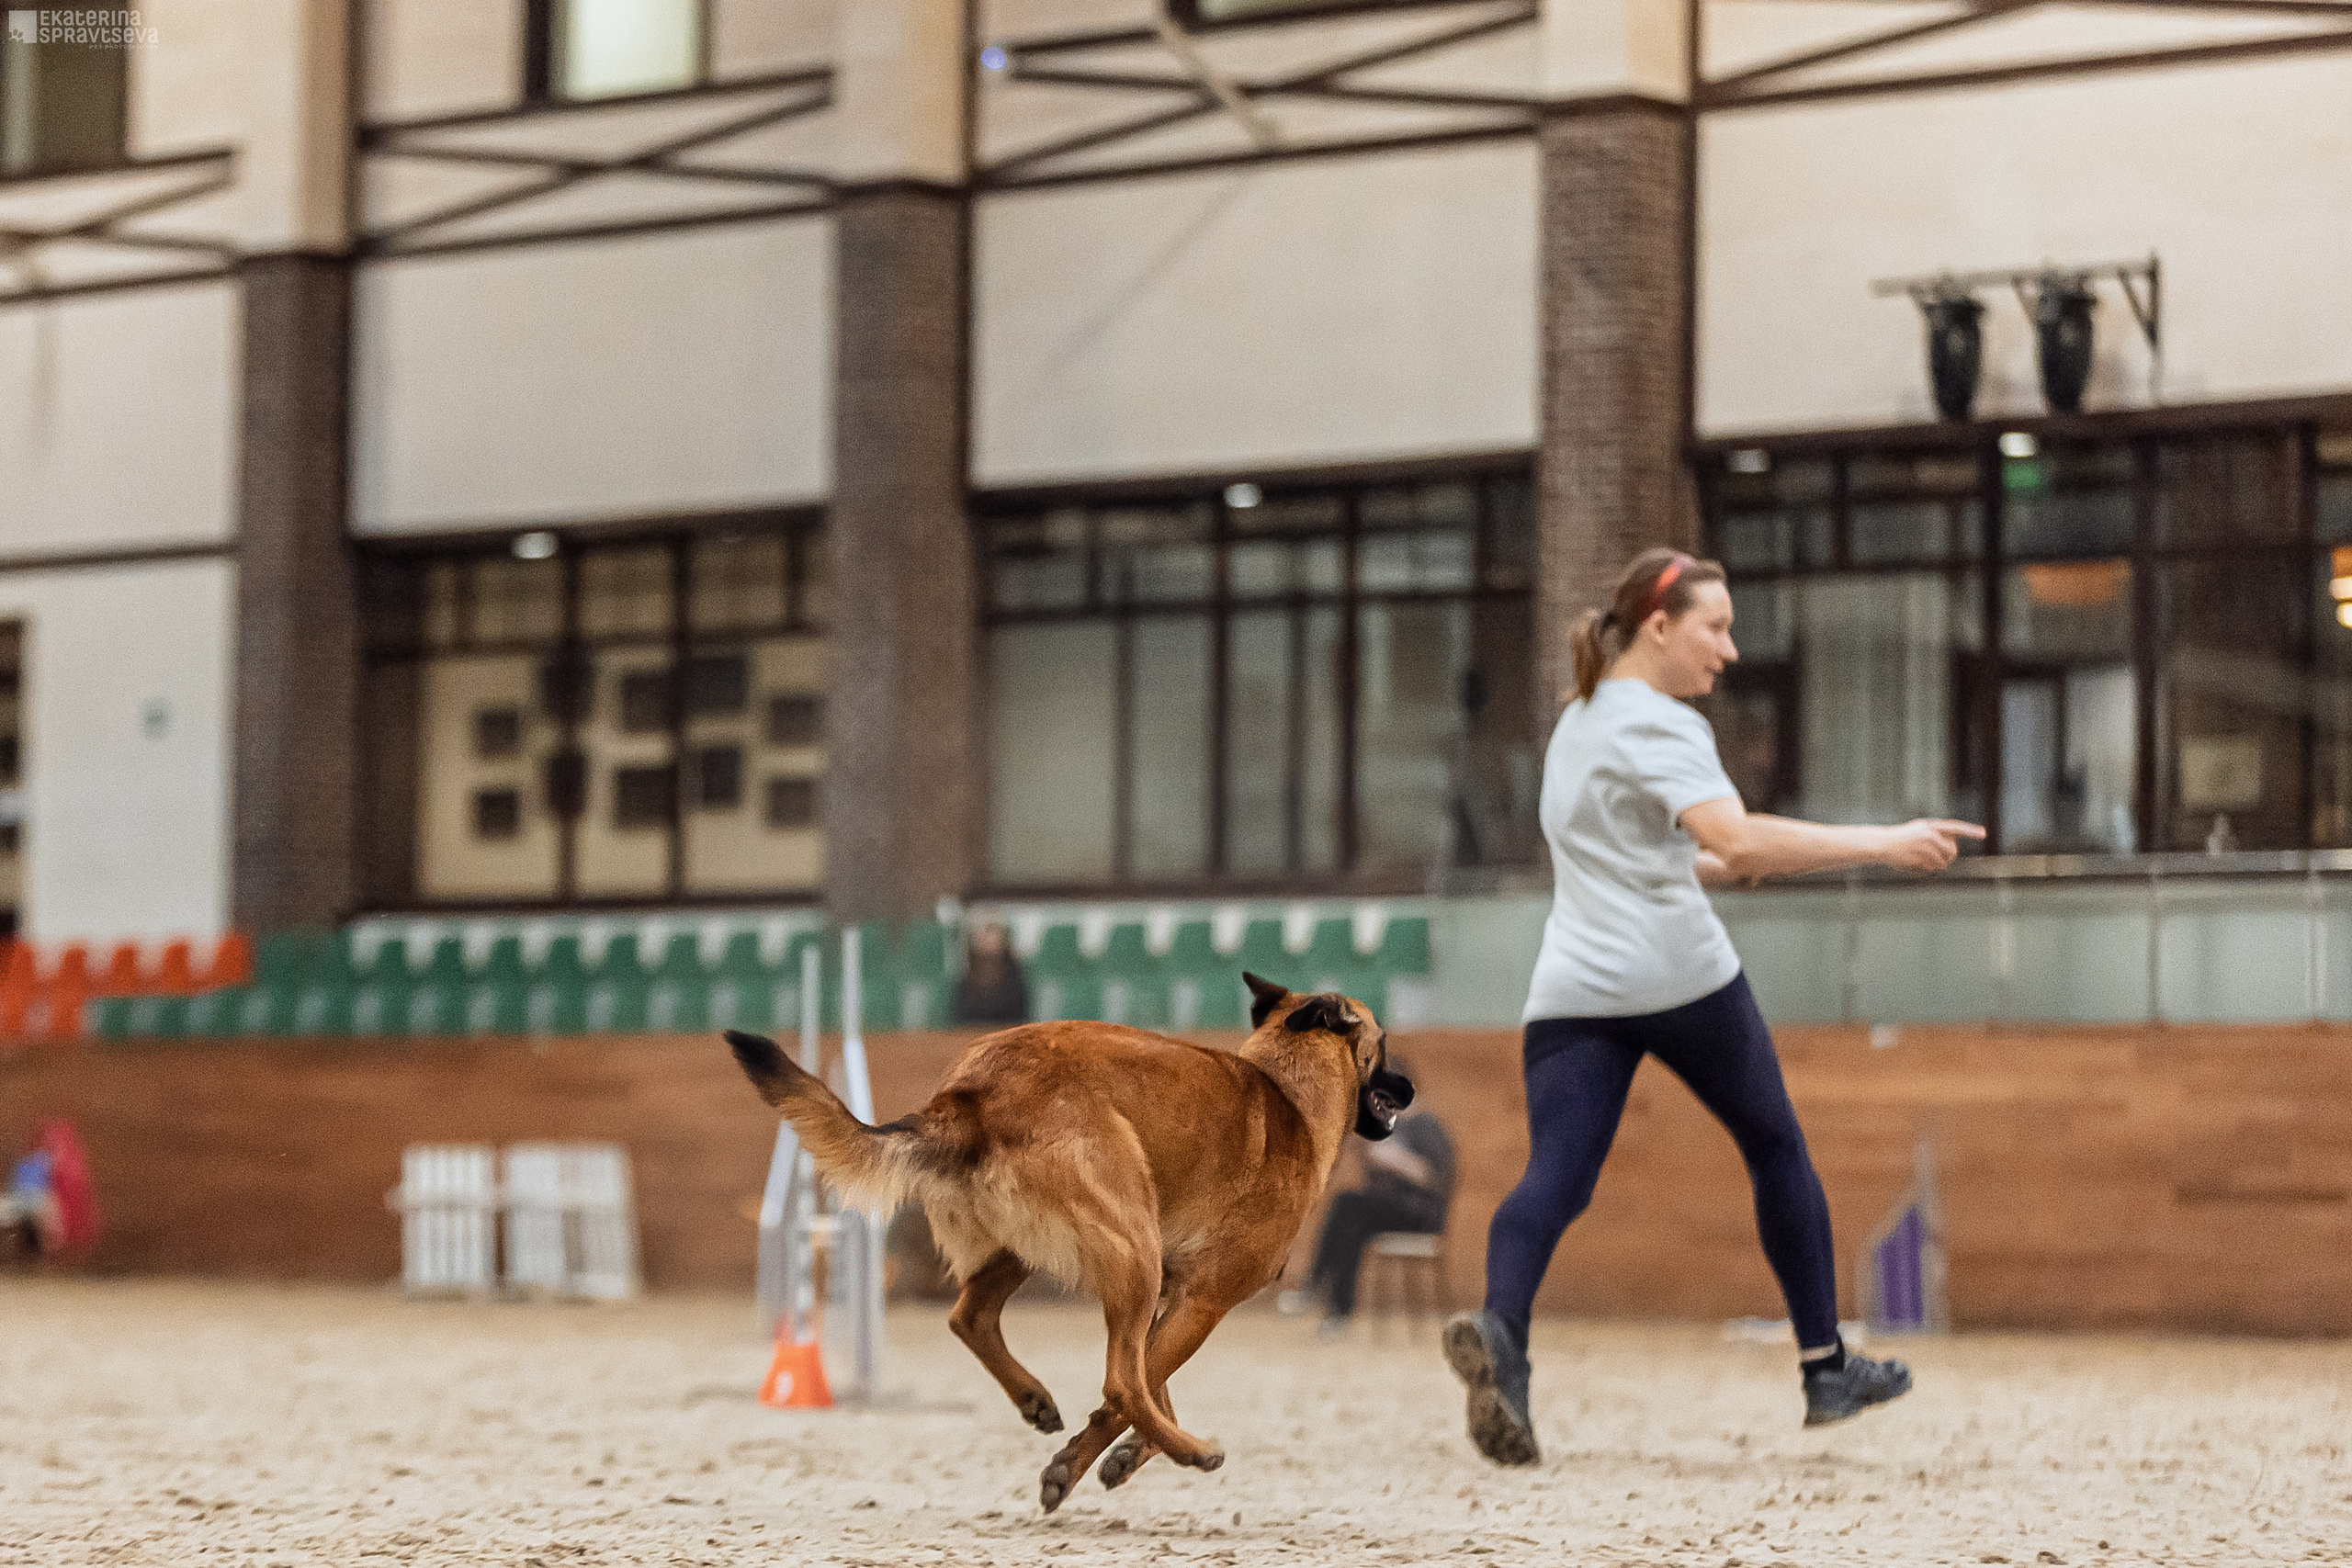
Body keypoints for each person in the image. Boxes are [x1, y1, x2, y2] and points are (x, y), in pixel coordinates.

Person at [1442, 547, 1984, 1467]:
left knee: (1555, 1177)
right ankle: (1824, 1367)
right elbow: (1738, 844)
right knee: (1775, 1147)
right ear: (1659, 627)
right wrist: (1884, 842)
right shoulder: (1664, 724)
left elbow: (1641, 854)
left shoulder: (1577, 720)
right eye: (1717, 629)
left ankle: (1505, 1340)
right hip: (1679, 976)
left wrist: (1705, 861)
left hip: (1573, 984)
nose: (1730, 651)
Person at [1280, 1057, 1454, 1334]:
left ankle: (1315, 1287)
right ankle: (1337, 1310)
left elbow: (1436, 1178)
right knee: (1350, 1222)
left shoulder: (1426, 1125)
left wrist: (1397, 1160)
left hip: (1421, 1214)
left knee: (1347, 1206)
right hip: (1391, 1210)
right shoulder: (1391, 1127)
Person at [951, 921, 1029, 1026]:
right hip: (972, 1029)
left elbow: (1017, 1010)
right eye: (984, 934)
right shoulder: (968, 971)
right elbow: (962, 1012)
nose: (988, 940)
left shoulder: (1013, 970)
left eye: (992, 933)